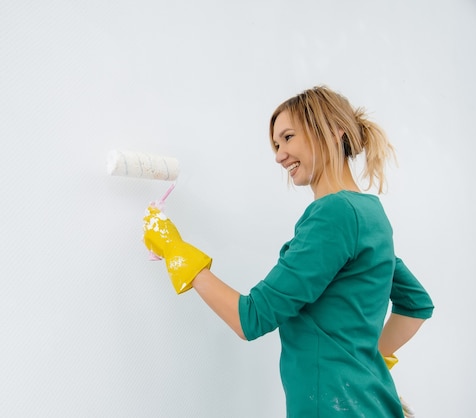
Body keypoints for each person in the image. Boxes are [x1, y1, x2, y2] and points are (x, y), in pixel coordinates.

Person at [143, 85, 434, 417]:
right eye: (276, 144)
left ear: (334, 132)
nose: (279, 154)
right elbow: (416, 304)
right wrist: (366, 365)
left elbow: (249, 318)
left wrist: (176, 251)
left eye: (288, 137)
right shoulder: (369, 214)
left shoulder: (334, 215)